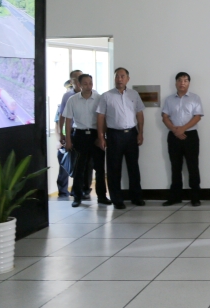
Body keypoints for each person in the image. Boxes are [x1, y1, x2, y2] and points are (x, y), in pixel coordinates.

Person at [96, 67, 145, 209]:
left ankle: (136, 197)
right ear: (114, 78)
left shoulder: (134, 94)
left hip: (131, 134)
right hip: (114, 135)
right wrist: (101, 137)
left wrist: (140, 132)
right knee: (114, 169)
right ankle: (117, 199)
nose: (119, 79)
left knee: (133, 167)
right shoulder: (106, 96)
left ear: (128, 79)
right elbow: (100, 117)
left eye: (122, 76)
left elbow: (140, 114)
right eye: (117, 76)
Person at [63, 74, 110, 207]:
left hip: (95, 135)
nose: (88, 86)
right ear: (79, 85)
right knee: (79, 168)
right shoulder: (73, 100)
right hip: (80, 135)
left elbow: (104, 119)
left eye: (90, 83)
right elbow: (68, 120)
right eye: (85, 84)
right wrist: (68, 139)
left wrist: (102, 137)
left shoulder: (99, 98)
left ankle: (102, 196)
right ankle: (77, 197)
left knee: (99, 168)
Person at [161, 72, 204, 207]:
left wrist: (183, 129)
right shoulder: (169, 99)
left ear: (189, 83)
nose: (182, 83)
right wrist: (175, 130)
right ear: (176, 83)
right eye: (179, 80)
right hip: (173, 136)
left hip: (190, 136)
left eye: (185, 80)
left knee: (193, 166)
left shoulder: (195, 98)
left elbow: (197, 116)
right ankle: (175, 197)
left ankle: (195, 197)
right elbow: (165, 117)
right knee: (175, 167)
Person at [58, 70, 86, 199]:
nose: (80, 80)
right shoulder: (67, 96)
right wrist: (62, 134)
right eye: (77, 78)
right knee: (67, 161)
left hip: (85, 133)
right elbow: (62, 116)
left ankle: (79, 191)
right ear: (71, 81)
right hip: (72, 132)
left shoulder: (90, 94)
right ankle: (63, 191)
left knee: (83, 163)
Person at [54, 80, 72, 200]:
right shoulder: (61, 106)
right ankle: (63, 192)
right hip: (64, 140)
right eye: (68, 89)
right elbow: (57, 124)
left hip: (76, 137)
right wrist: (59, 140)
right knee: (64, 167)